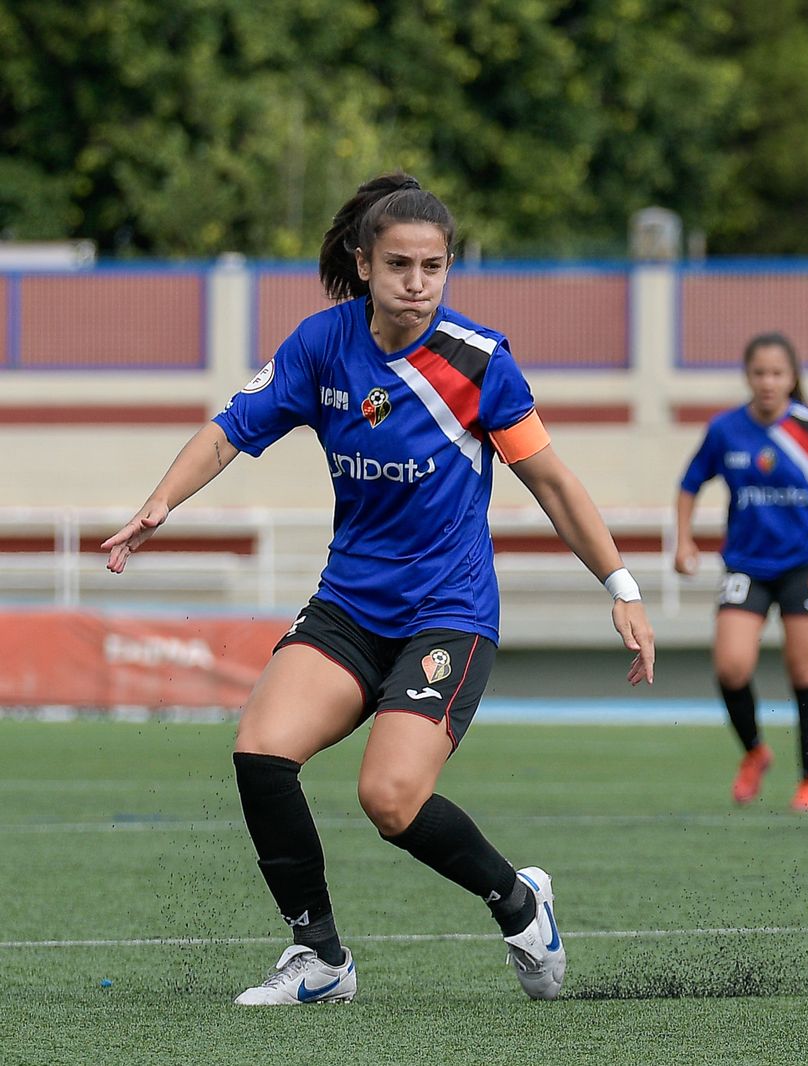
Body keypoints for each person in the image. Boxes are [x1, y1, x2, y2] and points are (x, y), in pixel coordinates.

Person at [101, 172, 655, 1005]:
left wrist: (621, 585)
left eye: (434, 266)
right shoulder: (321, 346)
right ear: (363, 264)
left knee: (389, 800)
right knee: (260, 753)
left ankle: (519, 901)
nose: (418, 283)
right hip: (350, 607)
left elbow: (553, 483)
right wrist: (159, 502)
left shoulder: (480, 363)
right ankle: (319, 959)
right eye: (400, 264)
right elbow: (229, 433)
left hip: (449, 617)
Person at [674, 332, 808, 813]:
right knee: (731, 665)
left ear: (792, 378)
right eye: (759, 373)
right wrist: (684, 539)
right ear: (748, 376)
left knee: (804, 669)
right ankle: (756, 752)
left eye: (777, 373)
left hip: (804, 561)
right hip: (745, 563)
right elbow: (689, 484)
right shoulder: (725, 430)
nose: (768, 382)